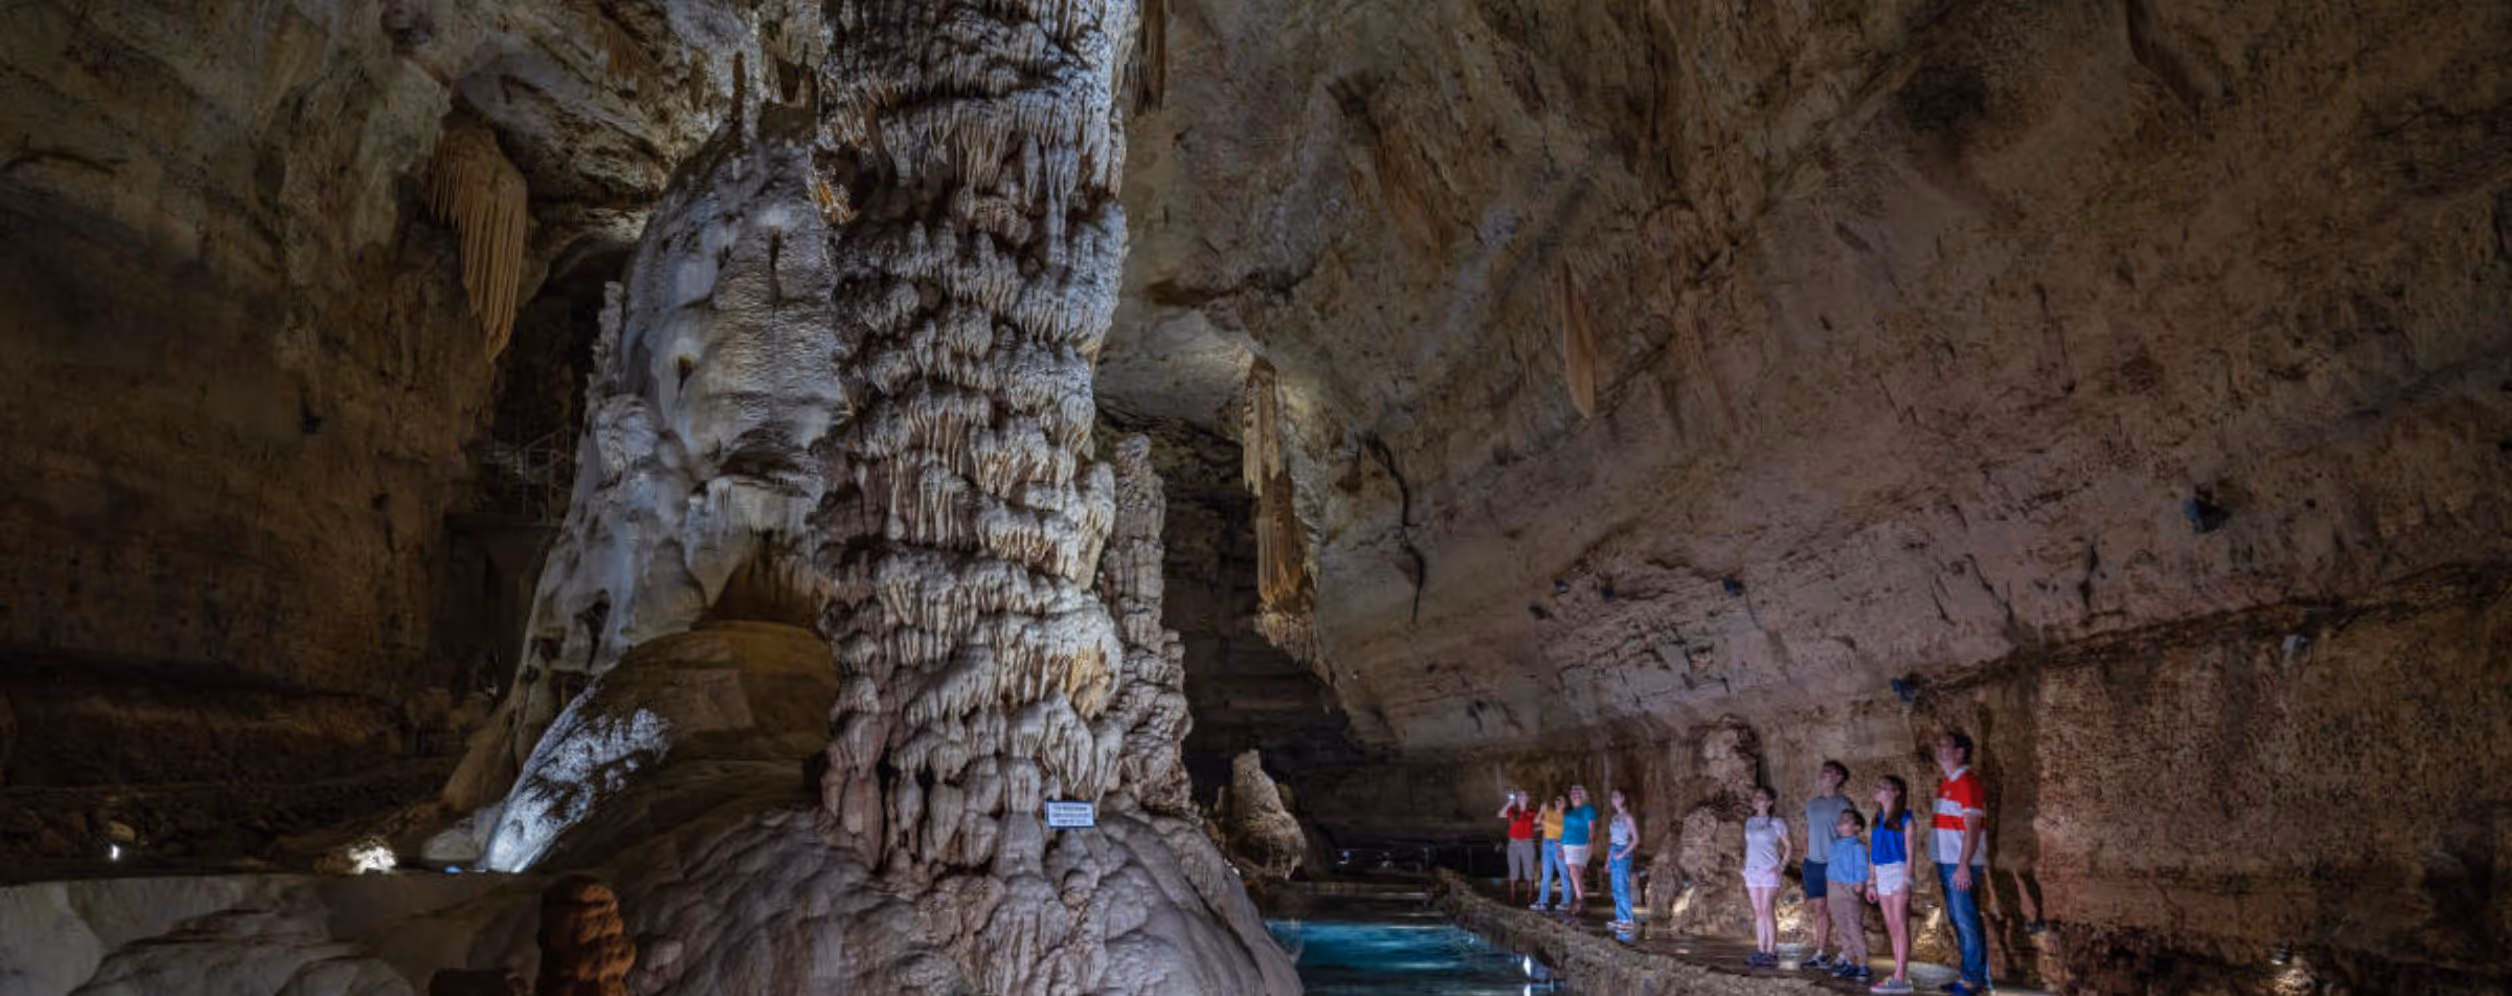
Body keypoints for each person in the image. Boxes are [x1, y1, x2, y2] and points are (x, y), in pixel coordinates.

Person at [1932, 731, 1991, 995]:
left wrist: (1964, 864)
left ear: (1960, 752)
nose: (1938, 748)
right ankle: (1971, 975)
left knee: (1966, 920)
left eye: (1944, 744)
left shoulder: (1967, 782)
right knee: (1959, 919)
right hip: (1946, 862)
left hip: (1959, 863)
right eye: (1939, 744)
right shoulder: (1947, 783)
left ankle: (1972, 980)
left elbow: (1973, 826)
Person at [1866, 775, 1919, 994]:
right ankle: (1900, 973)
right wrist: (1871, 881)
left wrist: (1907, 879)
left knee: (1900, 924)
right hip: (1881, 873)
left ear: (1896, 792)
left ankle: (1900, 975)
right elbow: (1873, 852)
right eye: (1878, 786)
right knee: (1892, 927)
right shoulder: (1877, 818)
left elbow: (1911, 852)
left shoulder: (1906, 819)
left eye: (1883, 787)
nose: (1877, 789)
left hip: (1898, 870)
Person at [1801, 760, 1855, 971]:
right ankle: (1821, 953)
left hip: (1835, 863)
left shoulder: (1844, 804)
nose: (1823, 774)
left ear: (1838, 778)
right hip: (1813, 863)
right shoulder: (1811, 804)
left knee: (1840, 909)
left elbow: (1850, 834)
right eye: (1823, 771)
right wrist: (1806, 857)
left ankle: (1846, 953)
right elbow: (1808, 831)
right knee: (1820, 908)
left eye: (1829, 772)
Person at [1741, 786, 1790, 967]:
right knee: (1758, 911)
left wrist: (1781, 866)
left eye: (1761, 798)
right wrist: (1744, 866)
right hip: (1752, 870)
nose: (1756, 800)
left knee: (1767, 908)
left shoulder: (1777, 822)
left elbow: (1788, 846)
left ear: (1769, 802)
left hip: (1769, 869)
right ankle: (1761, 949)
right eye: (1755, 797)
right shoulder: (1749, 822)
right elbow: (1749, 846)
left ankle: (1771, 951)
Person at [1824, 809, 1873, 984]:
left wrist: (1860, 882)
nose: (1841, 822)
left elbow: (1861, 867)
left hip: (1849, 887)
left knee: (1854, 925)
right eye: (1841, 819)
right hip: (1833, 886)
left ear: (1857, 827)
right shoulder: (1835, 845)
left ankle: (1863, 964)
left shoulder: (1857, 846)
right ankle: (1850, 961)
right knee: (1841, 926)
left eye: (1847, 820)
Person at [1558, 785, 1600, 914]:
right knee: (1576, 874)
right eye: (1572, 792)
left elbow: (1592, 829)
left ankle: (1580, 901)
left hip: (1581, 845)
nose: (1574, 794)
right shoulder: (1569, 812)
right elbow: (1564, 829)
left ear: (1583, 795)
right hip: (1567, 845)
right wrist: (1560, 847)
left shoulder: (1588, 809)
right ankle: (1580, 902)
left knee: (1575, 873)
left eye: (1578, 792)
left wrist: (1591, 844)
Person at [1606, 789, 1641, 930]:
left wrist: (1623, 854)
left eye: (1616, 796)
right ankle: (1620, 917)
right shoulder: (1614, 818)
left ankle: (1627, 919)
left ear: (1622, 798)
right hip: (1614, 850)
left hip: (1623, 851)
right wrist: (1608, 860)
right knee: (1615, 887)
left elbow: (1636, 839)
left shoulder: (1628, 817)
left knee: (1622, 886)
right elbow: (1612, 840)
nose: (1613, 799)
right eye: (1612, 796)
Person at [1500, 790, 1540, 904]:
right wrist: (1509, 803)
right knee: (1513, 869)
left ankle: (1530, 897)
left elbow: (1540, 822)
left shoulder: (1532, 812)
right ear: (1517, 799)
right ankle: (1512, 897)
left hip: (1527, 842)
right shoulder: (1512, 811)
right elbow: (1500, 814)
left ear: (1528, 799)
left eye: (1524, 795)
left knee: (1529, 869)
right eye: (1519, 795)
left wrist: (1532, 830)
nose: (1521, 797)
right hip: (1513, 842)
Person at [1532, 793, 1569, 911]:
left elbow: (1563, 831)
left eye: (1560, 800)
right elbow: (1537, 821)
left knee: (1564, 873)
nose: (1558, 802)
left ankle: (1566, 901)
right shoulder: (1549, 813)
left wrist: (1563, 847)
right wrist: (1541, 811)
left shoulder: (1565, 817)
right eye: (1556, 799)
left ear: (1565, 804)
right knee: (1546, 874)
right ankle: (1543, 901)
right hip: (1546, 843)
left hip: (1558, 844)